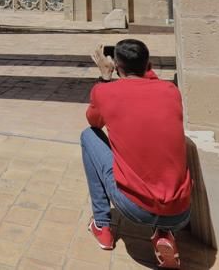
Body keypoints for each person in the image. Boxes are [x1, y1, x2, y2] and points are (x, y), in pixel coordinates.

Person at [82, 39, 192, 269]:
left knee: (89, 136)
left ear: (117, 67)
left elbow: (94, 121)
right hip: (181, 211)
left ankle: (102, 226)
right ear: (148, 64)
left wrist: (104, 77)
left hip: (135, 208)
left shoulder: (106, 91)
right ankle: (164, 232)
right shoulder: (170, 91)